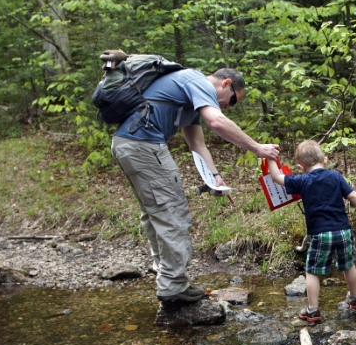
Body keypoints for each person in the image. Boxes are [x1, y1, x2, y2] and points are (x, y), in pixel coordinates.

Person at [111, 66, 280, 303]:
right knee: (173, 212)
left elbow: (197, 145)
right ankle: (173, 286)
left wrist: (215, 178)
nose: (228, 107)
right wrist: (257, 147)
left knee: (155, 212)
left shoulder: (190, 99)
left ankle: (165, 273)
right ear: (225, 83)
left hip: (128, 144)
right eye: (232, 100)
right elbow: (218, 122)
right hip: (144, 145)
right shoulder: (197, 81)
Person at [267, 139, 356, 323]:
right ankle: (355, 298)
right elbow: (352, 195)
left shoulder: (302, 180)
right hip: (343, 231)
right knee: (348, 264)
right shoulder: (335, 176)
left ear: (301, 166)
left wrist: (271, 157)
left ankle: (313, 310)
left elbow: (276, 178)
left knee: (312, 271)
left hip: (320, 234)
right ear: (324, 160)